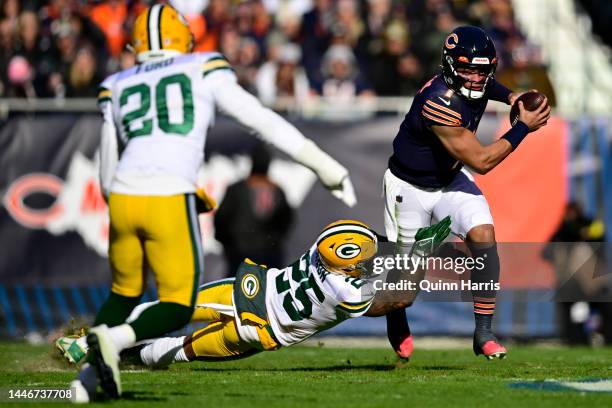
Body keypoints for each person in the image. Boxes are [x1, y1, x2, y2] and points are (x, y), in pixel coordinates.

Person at [69, 4, 357, 403]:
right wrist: (322, 163)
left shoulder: (117, 83)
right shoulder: (201, 67)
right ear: (182, 38)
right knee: (177, 305)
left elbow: (106, 176)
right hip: (167, 197)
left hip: (121, 198)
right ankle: (109, 341)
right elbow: (260, 120)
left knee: (122, 296)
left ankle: (84, 381)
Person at [57, 217, 451, 379]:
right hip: (260, 329)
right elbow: (399, 300)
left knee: (173, 307)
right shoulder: (347, 290)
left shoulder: (323, 247)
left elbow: (352, 236)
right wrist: (419, 255)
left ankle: (92, 340)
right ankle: (119, 357)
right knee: (179, 350)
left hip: (251, 289)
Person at [382, 26, 550, 361]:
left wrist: (512, 97)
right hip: (409, 188)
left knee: (484, 236)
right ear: (450, 66)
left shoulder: (475, 82)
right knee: (403, 291)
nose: (476, 78)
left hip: (449, 179)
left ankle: (484, 332)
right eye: (469, 69)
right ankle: (394, 314)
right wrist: (522, 128)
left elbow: (487, 87)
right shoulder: (438, 102)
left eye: (483, 69)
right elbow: (482, 161)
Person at [214, 143, 294, 275]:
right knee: (267, 292)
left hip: (240, 254)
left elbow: (221, 218)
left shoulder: (237, 189)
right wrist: (274, 241)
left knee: (237, 291)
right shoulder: (277, 190)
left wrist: (226, 242)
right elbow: (287, 221)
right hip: (268, 255)